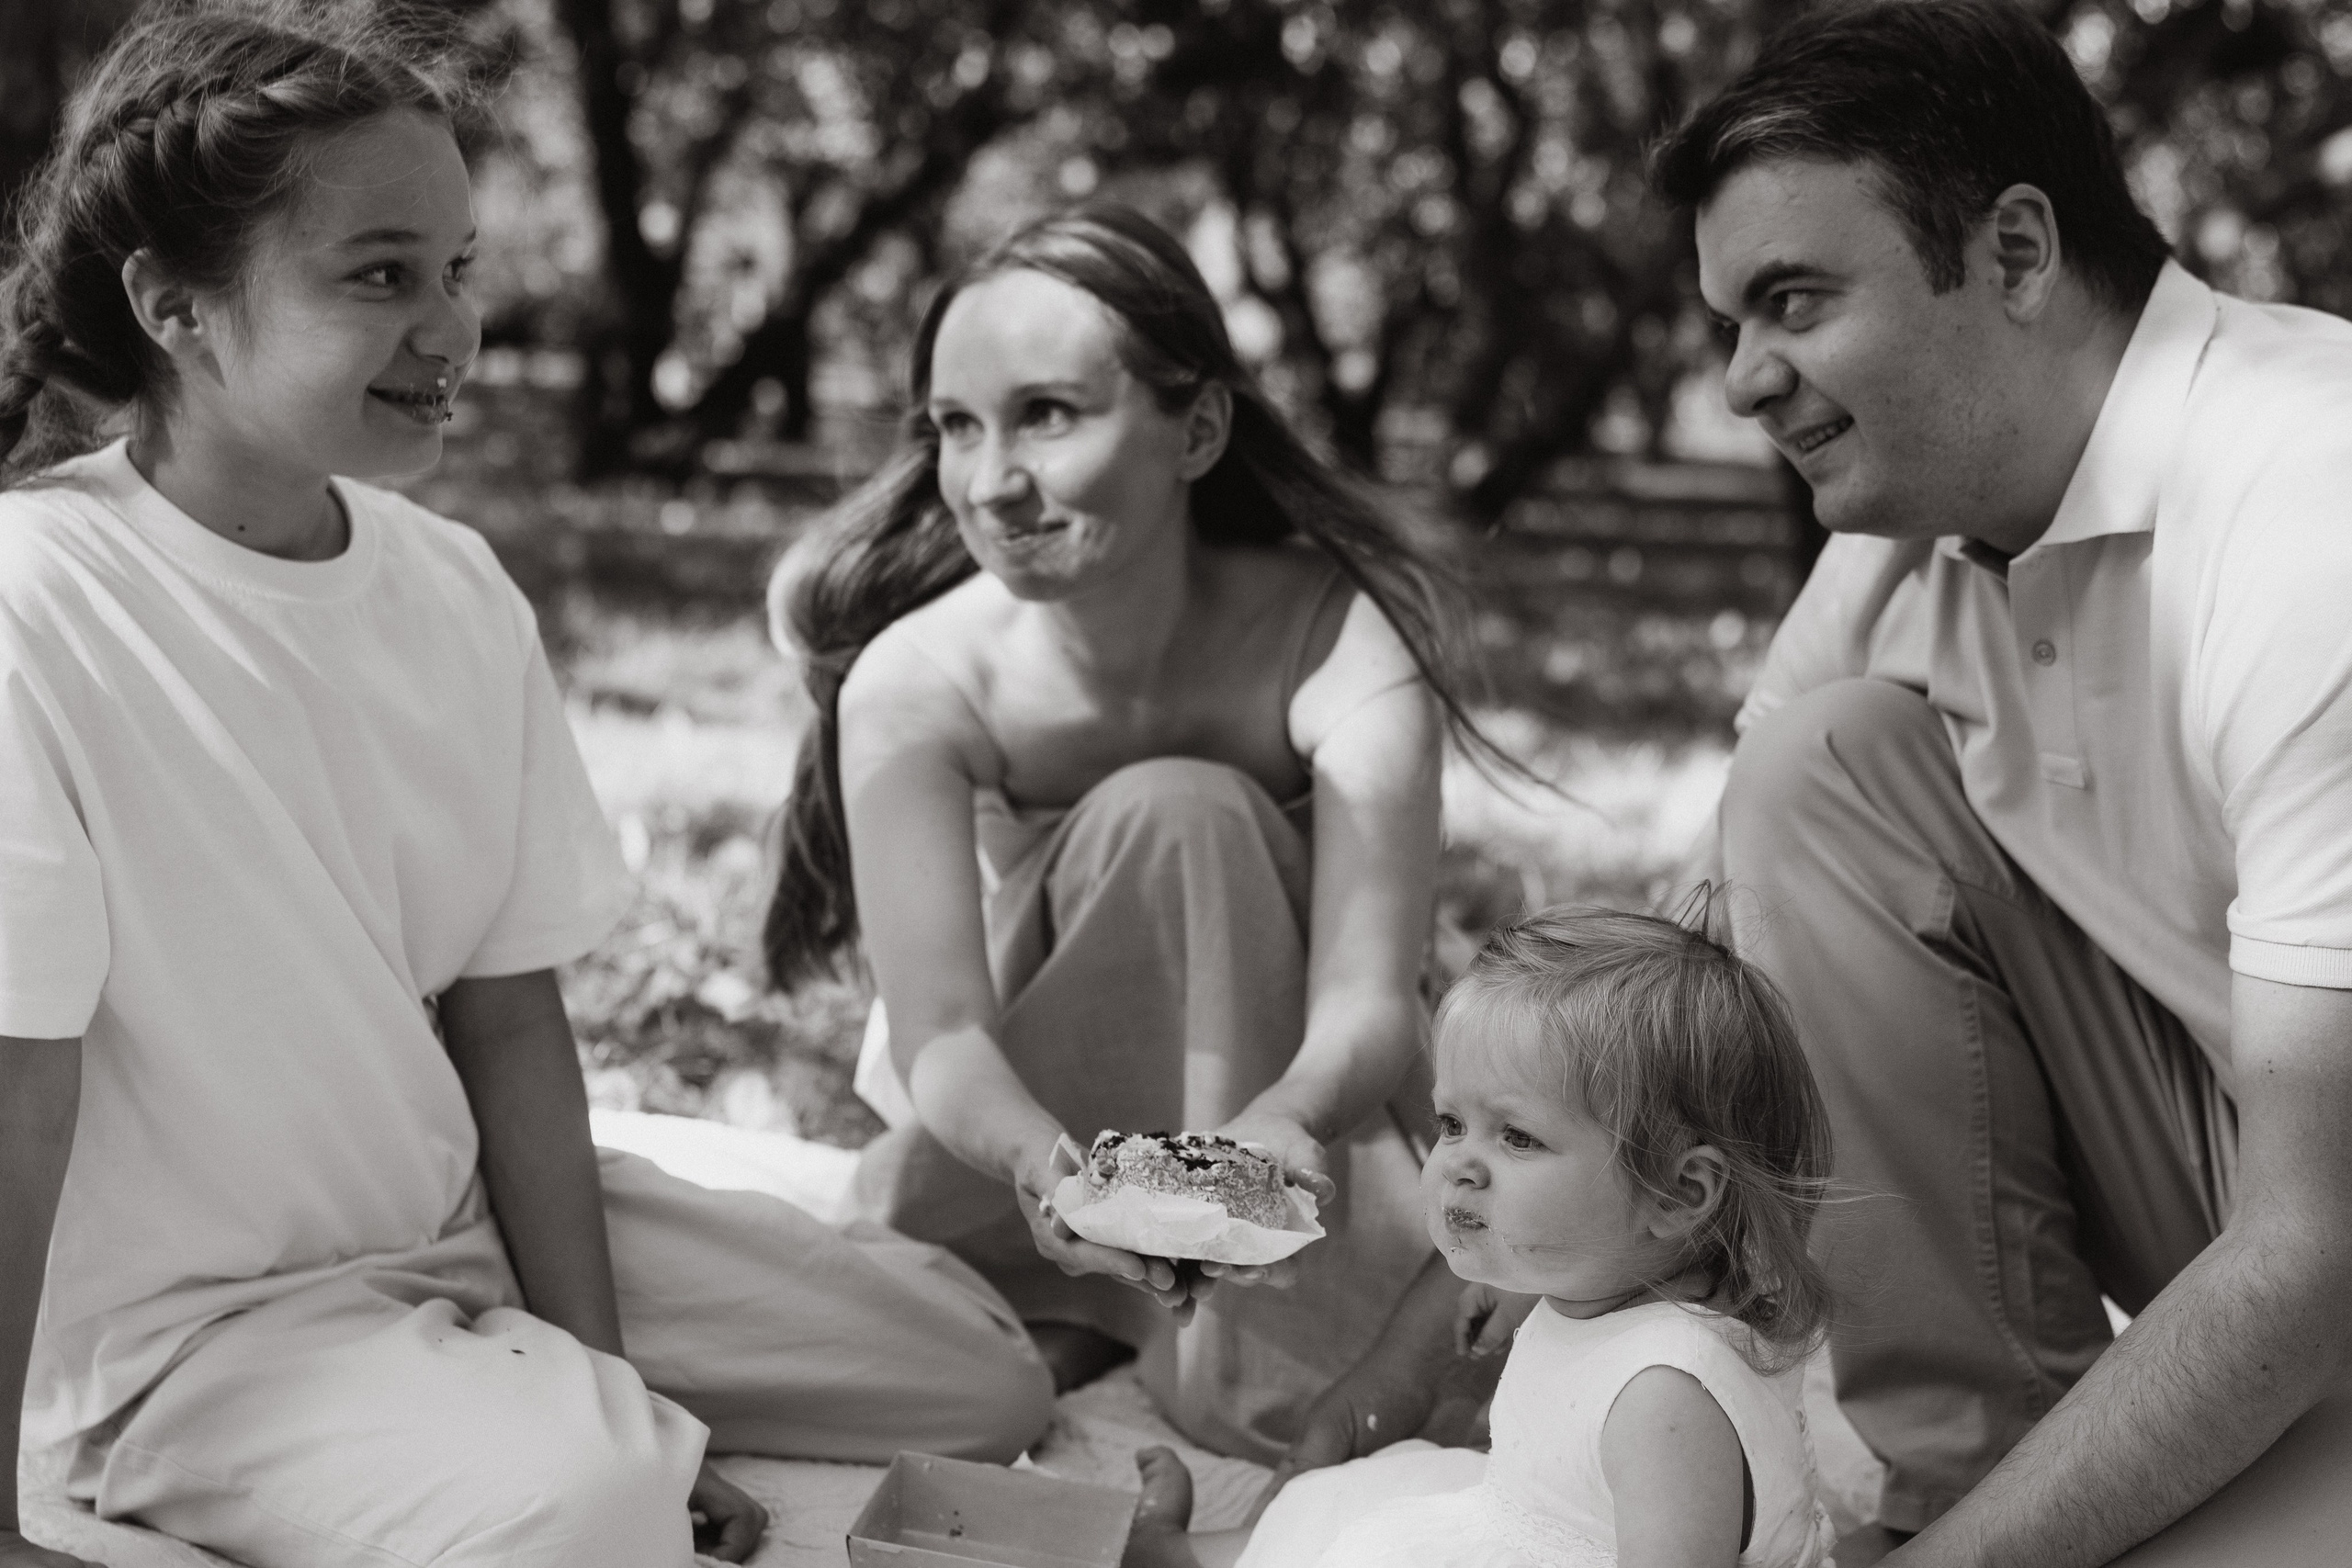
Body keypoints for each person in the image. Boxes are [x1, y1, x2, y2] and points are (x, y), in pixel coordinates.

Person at [0, 10, 1050, 1568]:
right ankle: (428, 1440)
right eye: (379, 275)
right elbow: (18, 1088)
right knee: (591, 1505)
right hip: (192, 1332)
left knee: (977, 1374)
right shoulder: (36, 598)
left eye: (458, 267)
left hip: (455, 1229)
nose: (451, 329)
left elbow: (506, 1012)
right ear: (177, 306)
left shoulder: (451, 585)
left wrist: (601, 1365)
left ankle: (521, 1397)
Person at [1648, 2, 2352, 1562]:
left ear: (2018, 255)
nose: (1746, 384)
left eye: (1795, 300)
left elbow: (2323, 1245)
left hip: (2324, 1214)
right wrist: (1486, 1241)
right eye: (1730, 323)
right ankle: (1978, 1485)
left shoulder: (2312, 519)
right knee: (1816, 773)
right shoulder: (1933, 507)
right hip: (2249, 1152)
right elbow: (1684, 956)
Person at [763, 203, 1469, 1460]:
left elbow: (1373, 993)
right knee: (1174, 808)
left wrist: (1287, 1121)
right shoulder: (919, 677)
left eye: (1047, 414)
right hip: (1025, 1127)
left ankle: (1212, 1300)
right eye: (957, 428)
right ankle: (1093, 1279)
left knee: (1186, 806)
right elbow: (941, 1034)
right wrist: (1045, 1167)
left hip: (1288, 1134)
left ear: (1197, 428)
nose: (990, 481)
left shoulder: (1336, 631)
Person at [1117, 905, 1839, 1568]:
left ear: (1678, 1193)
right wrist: (1514, 1288)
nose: (1458, 1164)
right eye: (1452, 1124)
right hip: (1534, 1519)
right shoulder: (1626, 1286)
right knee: (1356, 1496)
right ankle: (1194, 1552)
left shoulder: (1665, 1400)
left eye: (1517, 1137)